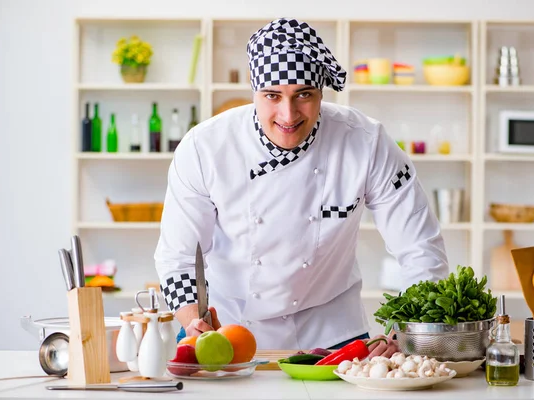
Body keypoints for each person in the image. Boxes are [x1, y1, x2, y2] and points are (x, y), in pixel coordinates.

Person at [154, 17, 448, 357]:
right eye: (272, 96)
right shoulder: (204, 147)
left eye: (303, 95)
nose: (288, 114)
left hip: (334, 331)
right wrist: (195, 323)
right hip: (227, 330)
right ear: (254, 91)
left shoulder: (367, 143)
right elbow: (178, 260)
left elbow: (420, 249)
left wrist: (405, 332)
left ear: (322, 91)